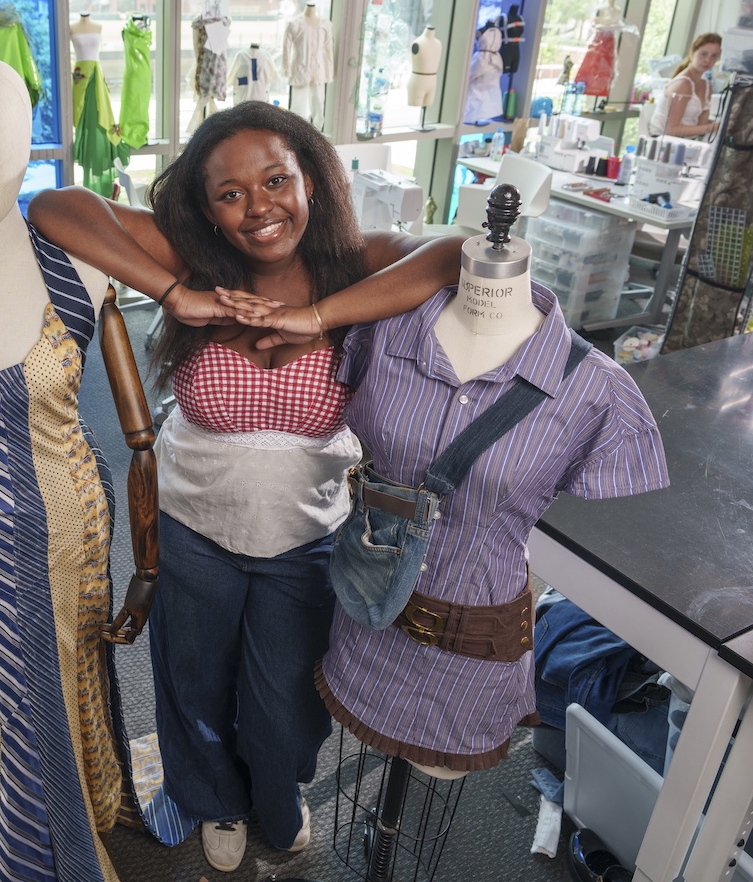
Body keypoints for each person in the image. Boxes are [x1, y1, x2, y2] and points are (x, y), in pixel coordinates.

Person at [26, 102, 462, 873]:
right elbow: (54, 206)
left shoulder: (352, 262)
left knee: (286, 699)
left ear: (310, 181)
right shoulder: (195, 260)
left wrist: (318, 317)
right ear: (208, 210)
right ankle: (215, 800)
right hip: (194, 524)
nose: (259, 207)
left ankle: (276, 793)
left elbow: (459, 251)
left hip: (307, 531)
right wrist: (178, 295)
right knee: (194, 682)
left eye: (275, 180)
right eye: (230, 193)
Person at [651, 33, 721, 139]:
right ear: (692, 53)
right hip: (662, 141)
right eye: (703, 54)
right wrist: (711, 127)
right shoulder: (682, 84)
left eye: (714, 56)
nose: (708, 60)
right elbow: (671, 130)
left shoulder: (706, 86)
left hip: (687, 141)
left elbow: (701, 126)